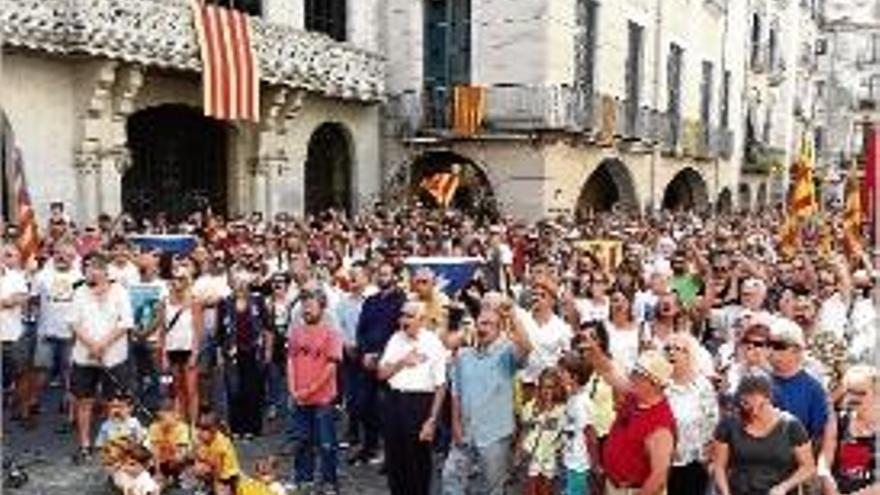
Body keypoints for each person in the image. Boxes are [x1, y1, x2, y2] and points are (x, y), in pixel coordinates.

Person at [442, 301, 532, 495]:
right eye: (481, 323)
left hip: (495, 435)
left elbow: (526, 348)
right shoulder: (463, 355)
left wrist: (512, 317)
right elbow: (456, 393)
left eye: (489, 324)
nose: (483, 328)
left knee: (492, 488)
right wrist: (455, 424)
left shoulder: (506, 352)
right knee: (451, 481)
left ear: (499, 329)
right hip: (464, 431)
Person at [583, 340, 676, 495]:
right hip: (615, 486)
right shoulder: (635, 396)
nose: (632, 377)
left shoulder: (660, 426)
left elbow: (658, 477)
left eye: (639, 375)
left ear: (655, 384)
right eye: (634, 372)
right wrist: (595, 352)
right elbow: (608, 372)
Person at [377, 301, 448, 495]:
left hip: (420, 404)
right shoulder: (395, 338)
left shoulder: (433, 343)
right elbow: (381, 374)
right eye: (402, 315)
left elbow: (441, 385)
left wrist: (432, 420)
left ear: (422, 320)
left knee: (417, 462)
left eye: (409, 316)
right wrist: (402, 362)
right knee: (394, 459)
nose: (403, 320)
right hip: (394, 401)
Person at [70, 252, 134, 462]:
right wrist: (92, 345)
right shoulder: (79, 292)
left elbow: (125, 323)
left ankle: (113, 444)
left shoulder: (120, 292)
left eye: (93, 268)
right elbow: (74, 323)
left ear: (104, 271)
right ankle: (85, 445)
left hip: (114, 356)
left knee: (113, 402)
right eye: (87, 267)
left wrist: (103, 345)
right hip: (84, 355)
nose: (89, 271)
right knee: (84, 401)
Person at [713, 370, 816, 495]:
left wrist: (784, 487)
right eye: (747, 405)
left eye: (761, 406)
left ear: (769, 398)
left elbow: (808, 467)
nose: (754, 412)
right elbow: (719, 466)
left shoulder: (791, 425)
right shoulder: (729, 424)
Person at [287, 286, 342, 493]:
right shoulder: (296, 331)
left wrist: (310, 389)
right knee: (302, 439)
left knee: (326, 442)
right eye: (304, 305)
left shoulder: (332, 333)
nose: (306, 310)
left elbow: (331, 367)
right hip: (300, 397)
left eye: (311, 305)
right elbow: (291, 360)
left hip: (323, 398)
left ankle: (329, 481)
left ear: (322, 307)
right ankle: (304, 477)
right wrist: (293, 388)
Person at [352, 262, 406, 464]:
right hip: (366, 361)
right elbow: (361, 329)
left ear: (394, 276)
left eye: (386, 274)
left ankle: (390, 454)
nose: (382, 278)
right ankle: (369, 447)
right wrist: (365, 353)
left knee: (387, 410)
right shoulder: (371, 301)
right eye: (380, 274)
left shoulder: (401, 301)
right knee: (363, 406)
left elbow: (400, 333)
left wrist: (381, 356)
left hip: (389, 363)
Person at [663, 332, 718, 495]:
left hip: (695, 463)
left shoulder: (702, 385)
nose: (671, 353)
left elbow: (712, 420)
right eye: (667, 349)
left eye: (678, 349)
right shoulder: (659, 385)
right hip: (661, 462)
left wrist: (708, 452)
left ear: (689, 355)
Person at [218, 278, 270, 438]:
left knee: (253, 390)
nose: (240, 285)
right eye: (237, 281)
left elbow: (267, 326)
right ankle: (236, 428)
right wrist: (220, 354)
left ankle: (252, 428)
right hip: (232, 353)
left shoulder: (257, 301)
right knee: (234, 391)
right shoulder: (225, 303)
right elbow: (219, 331)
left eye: (243, 282)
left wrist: (267, 350)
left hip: (254, 352)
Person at [818, 365, 880, 495]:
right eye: (850, 391)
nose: (853, 398)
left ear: (877, 393)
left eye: (860, 393)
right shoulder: (839, 420)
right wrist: (827, 480)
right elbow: (824, 460)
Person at [768, 317, 830, 444]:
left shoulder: (814, 389)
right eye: (769, 344)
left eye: (778, 346)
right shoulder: (758, 382)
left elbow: (817, 437)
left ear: (796, 350)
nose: (771, 350)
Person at [158, 267, 203, 423]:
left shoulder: (194, 301)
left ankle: (193, 425)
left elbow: (198, 330)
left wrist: (195, 354)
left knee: (192, 390)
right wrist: (163, 354)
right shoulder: (164, 302)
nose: (178, 282)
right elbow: (163, 330)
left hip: (188, 349)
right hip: (172, 348)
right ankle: (182, 424)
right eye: (175, 279)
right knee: (177, 389)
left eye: (181, 279)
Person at [0, 243, 35, 427]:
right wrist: (7, 301)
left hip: (14, 335)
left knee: (22, 375)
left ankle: (24, 413)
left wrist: (10, 300)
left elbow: (24, 297)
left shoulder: (15, 276)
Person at [519, 367, 567, 495]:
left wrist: (561, 448)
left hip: (550, 455)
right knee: (530, 489)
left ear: (558, 388)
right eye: (544, 387)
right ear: (539, 388)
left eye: (551, 387)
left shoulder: (562, 409)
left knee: (546, 490)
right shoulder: (530, 406)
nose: (547, 391)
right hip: (532, 454)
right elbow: (524, 430)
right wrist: (518, 452)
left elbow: (565, 433)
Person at [193, 409, 241, 495]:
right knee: (198, 468)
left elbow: (218, 469)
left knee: (221, 491)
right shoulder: (203, 440)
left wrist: (216, 486)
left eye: (203, 430)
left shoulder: (221, 442)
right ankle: (207, 485)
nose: (199, 433)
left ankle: (227, 489)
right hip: (213, 468)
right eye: (198, 428)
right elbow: (199, 458)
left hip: (227, 475)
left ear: (213, 430)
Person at [146, 399, 191, 487]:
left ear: (174, 414)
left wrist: (168, 440)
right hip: (161, 460)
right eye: (159, 418)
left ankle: (179, 475)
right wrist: (157, 472)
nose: (161, 422)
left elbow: (180, 452)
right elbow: (155, 451)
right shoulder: (154, 427)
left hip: (175, 459)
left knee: (179, 456)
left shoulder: (182, 428)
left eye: (163, 418)